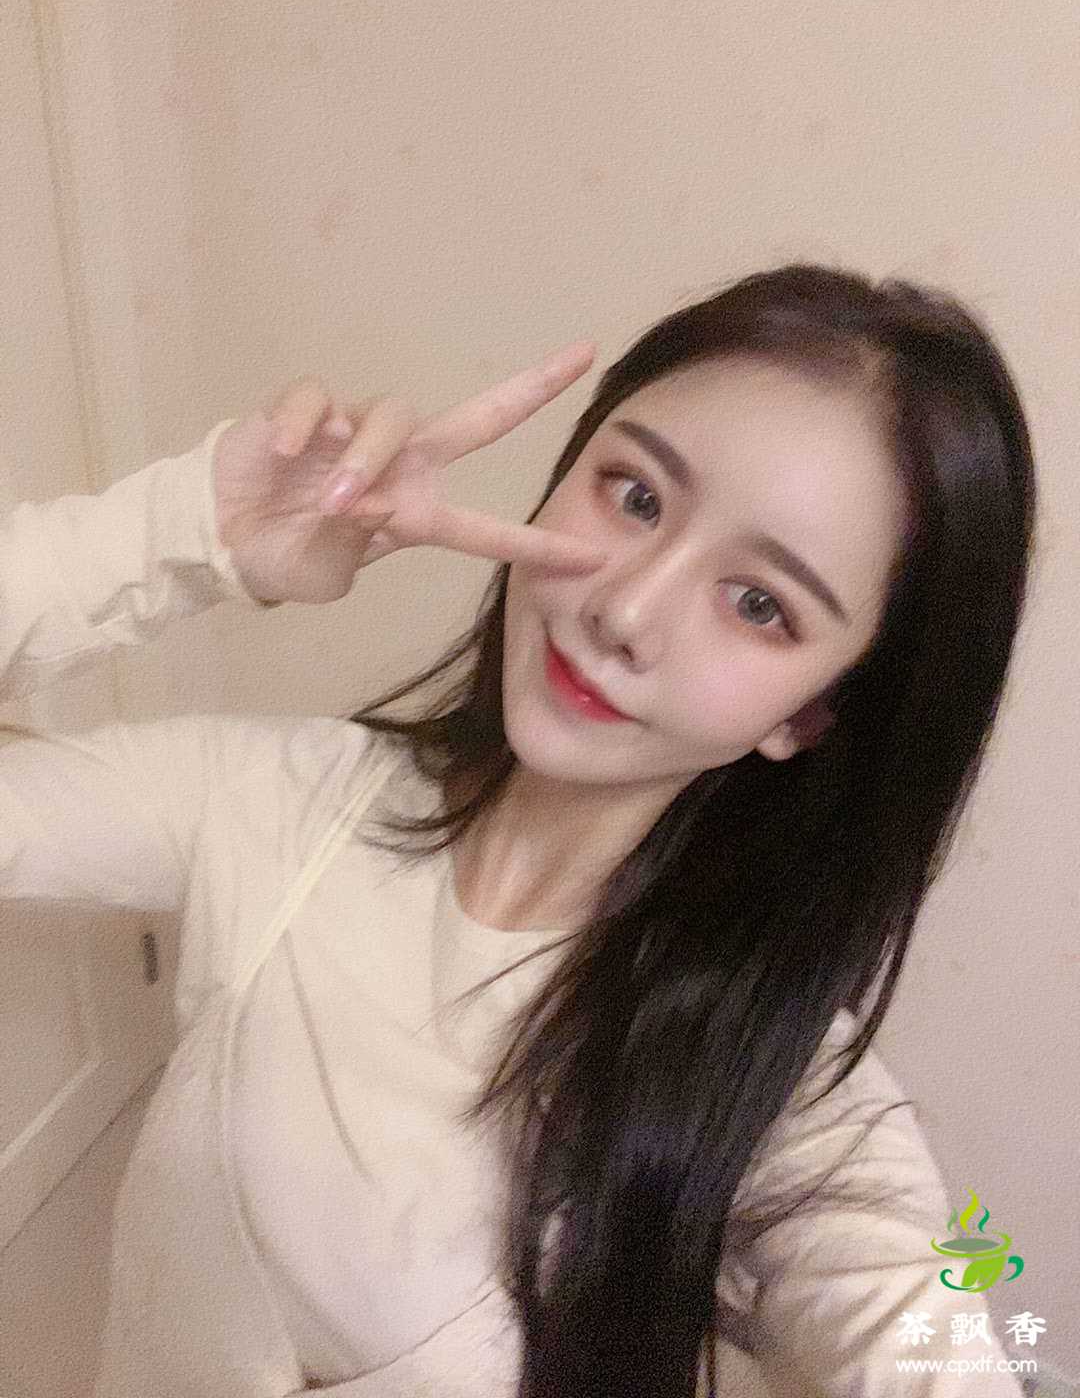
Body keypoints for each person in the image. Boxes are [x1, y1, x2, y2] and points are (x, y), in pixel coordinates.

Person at [0, 263, 1036, 1398]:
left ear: (810, 714)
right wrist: (190, 535)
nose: (624, 610)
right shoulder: (280, 802)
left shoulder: (783, 1092)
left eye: (760, 605)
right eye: (634, 496)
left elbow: (924, 1339)